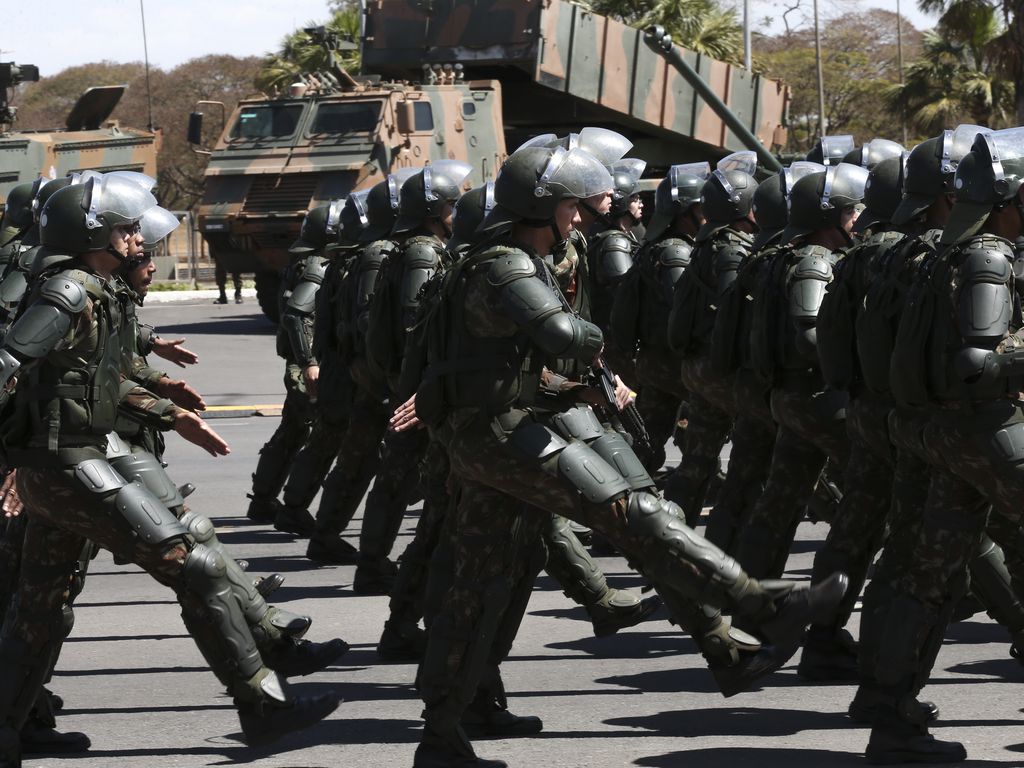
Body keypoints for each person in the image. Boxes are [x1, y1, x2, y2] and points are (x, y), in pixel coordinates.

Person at [406, 142, 847, 767]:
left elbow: (498, 364)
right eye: (571, 207)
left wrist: (572, 379)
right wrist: (595, 342)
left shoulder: (494, 258)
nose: (578, 218)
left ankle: (442, 731)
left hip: (487, 433)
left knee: (477, 585)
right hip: (503, 436)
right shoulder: (506, 265)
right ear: (543, 206)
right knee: (634, 512)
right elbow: (562, 333)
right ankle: (762, 603)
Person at [0, 175, 340, 768]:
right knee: (195, 565)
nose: (139, 239)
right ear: (95, 235)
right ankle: (261, 704)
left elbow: (94, 381)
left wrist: (170, 414)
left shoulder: (95, 290)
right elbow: (7, 361)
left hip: (69, 461)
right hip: (67, 465)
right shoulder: (69, 291)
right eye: (127, 229)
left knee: (39, 608)